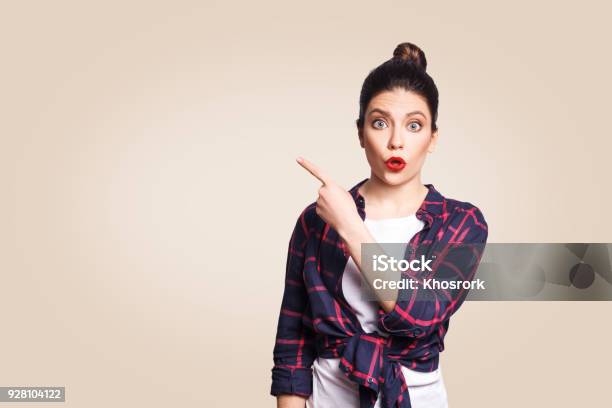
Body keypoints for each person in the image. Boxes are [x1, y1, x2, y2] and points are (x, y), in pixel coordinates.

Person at [271, 42, 489, 408]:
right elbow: (292, 341)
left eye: (414, 125)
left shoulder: (461, 222)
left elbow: (419, 313)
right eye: (379, 123)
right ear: (360, 133)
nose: (396, 142)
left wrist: (350, 225)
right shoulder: (315, 220)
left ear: (433, 137)